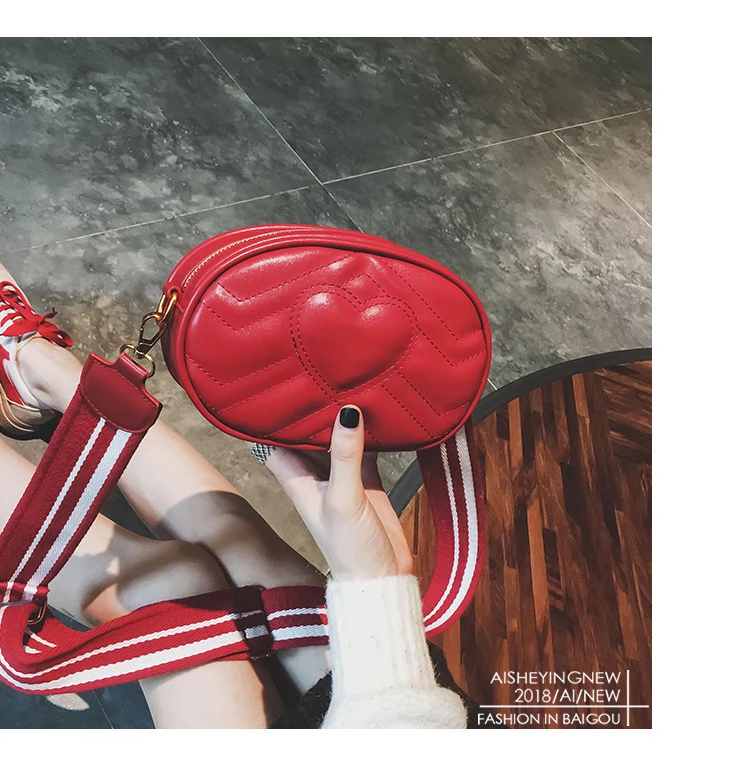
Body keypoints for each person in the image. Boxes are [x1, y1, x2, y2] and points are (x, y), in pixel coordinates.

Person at [0, 264, 468, 728]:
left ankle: (36, 368)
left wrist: (378, 589)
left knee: (165, 587)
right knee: (246, 548)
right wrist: (375, 589)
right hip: (410, 716)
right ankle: (41, 369)